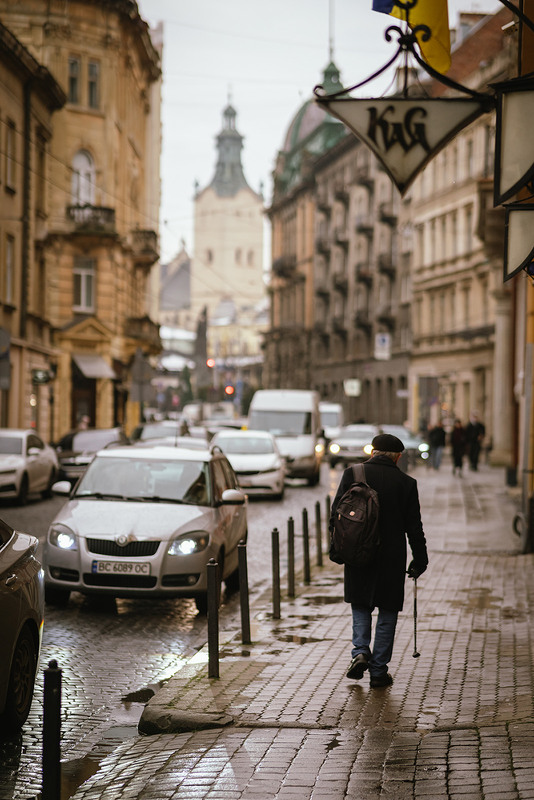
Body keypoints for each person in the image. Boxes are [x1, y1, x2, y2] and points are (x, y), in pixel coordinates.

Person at [330, 433, 428, 688]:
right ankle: (378, 671)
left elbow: (335, 515)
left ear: (373, 451)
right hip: (391, 557)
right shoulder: (406, 483)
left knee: (361, 605)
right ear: (397, 456)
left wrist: (337, 549)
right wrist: (420, 559)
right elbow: (414, 527)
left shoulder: (353, 474)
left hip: (358, 552)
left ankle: (360, 651)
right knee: (387, 611)